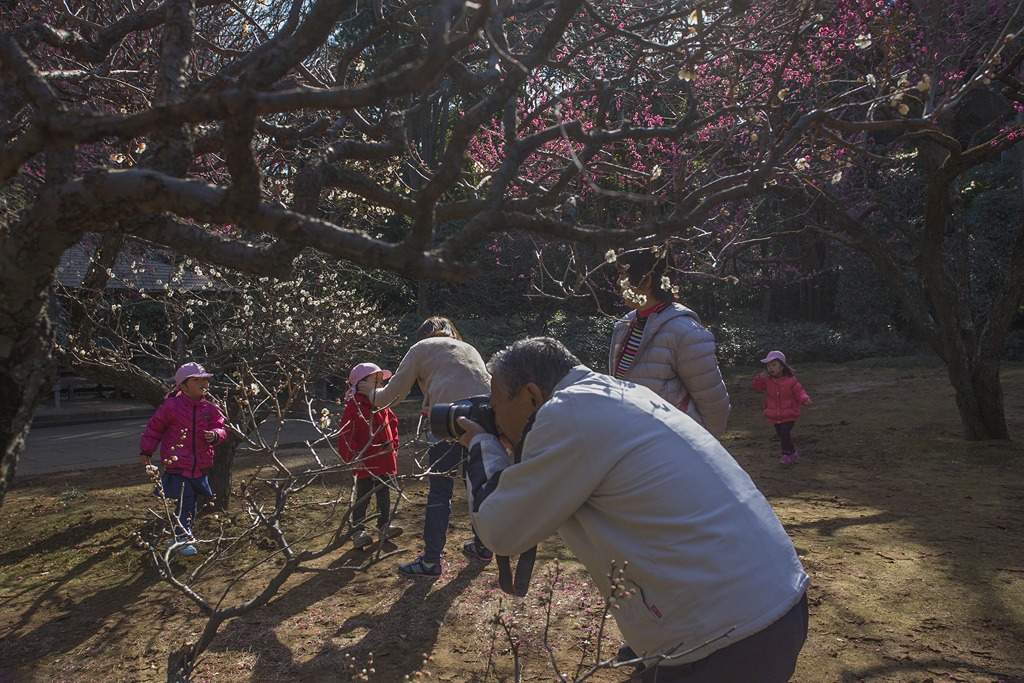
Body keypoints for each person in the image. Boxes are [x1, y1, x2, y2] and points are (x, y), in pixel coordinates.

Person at [459, 338, 809, 683]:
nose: (496, 420)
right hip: (774, 605)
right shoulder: (620, 393)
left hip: (726, 641)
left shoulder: (566, 414)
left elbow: (499, 530)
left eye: (496, 407)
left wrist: (483, 444)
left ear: (532, 396)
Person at [358, 316, 493, 578]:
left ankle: (431, 562)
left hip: (448, 420)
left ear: (424, 335)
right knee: (477, 485)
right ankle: (484, 546)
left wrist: (369, 392)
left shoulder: (420, 349)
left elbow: (392, 396)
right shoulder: (469, 349)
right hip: (483, 420)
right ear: (451, 332)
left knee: (440, 492)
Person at [609, 246, 731, 438]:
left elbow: (715, 408)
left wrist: (692, 450)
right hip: (636, 450)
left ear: (647, 279)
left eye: (622, 274)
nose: (618, 282)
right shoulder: (624, 326)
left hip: (674, 454)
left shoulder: (687, 333)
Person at [139, 362, 227, 557]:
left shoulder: (210, 408)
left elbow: (221, 426)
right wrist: (146, 450)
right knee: (186, 501)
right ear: (183, 386)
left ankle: (181, 535)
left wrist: (215, 434)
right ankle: (182, 537)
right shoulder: (171, 406)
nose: (203, 383)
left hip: (200, 464)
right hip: (178, 463)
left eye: (205, 379)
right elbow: (154, 428)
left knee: (191, 502)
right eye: (197, 380)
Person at [339, 362, 403, 549]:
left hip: (383, 456)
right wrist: (353, 456)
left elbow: (392, 423)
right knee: (364, 494)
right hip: (364, 460)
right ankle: (358, 530)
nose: (381, 385)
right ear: (360, 384)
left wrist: (394, 446)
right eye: (375, 381)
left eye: (381, 381)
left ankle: (384, 525)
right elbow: (346, 434)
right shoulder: (354, 407)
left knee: (384, 492)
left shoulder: (382, 402)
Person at [751, 350, 812, 465]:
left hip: (790, 413)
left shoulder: (791, 380)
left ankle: (786, 455)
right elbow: (757, 388)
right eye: (768, 366)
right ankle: (793, 453)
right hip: (775, 413)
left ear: (782, 366)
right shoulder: (767, 380)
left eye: (774, 365)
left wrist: (805, 399)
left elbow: (799, 391)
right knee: (782, 435)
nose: (771, 368)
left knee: (784, 432)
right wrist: (760, 378)